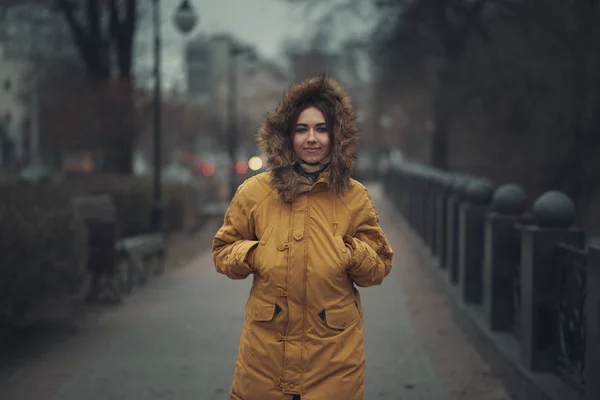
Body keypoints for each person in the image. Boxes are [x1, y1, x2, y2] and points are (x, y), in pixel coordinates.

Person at [212, 75, 394, 400]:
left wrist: (349, 253)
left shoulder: (355, 197)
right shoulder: (255, 192)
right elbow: (223, 251)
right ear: (286, 135)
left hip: (334, 352)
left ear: (336, 135)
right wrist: (254, 254)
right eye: (302, 129)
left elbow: (379, 265)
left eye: (321, 129)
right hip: (267, 351)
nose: (312, 139)